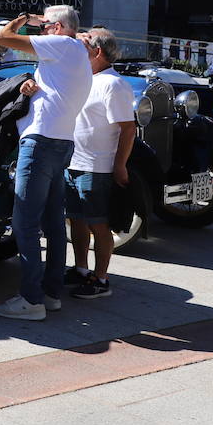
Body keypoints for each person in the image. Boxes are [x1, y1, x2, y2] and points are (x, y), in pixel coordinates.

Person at [0, 5, 92, 321]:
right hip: (61, 142)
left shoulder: (61, 44)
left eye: (45, 25)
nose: (41, 29)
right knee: (52, 222)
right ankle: (49, 292)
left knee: (25, 222)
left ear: (57, 27)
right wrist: (30, 87)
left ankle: (31, 299)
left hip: (41, 143)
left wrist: (23, 19)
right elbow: (53, 92)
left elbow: (3, 37)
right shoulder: (76, 55)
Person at [63, 28, 136, 301]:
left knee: (98, 225)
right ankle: (81, 269)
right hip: (74, 162)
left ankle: (102, 278)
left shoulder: (113, 84)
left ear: (97, 52)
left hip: (97, 166)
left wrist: (120, 165)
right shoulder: (85, 78)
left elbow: (128, 129)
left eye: (86, 44)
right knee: (77, 221)